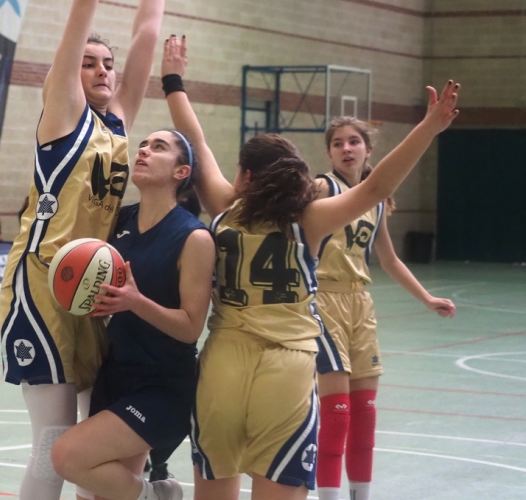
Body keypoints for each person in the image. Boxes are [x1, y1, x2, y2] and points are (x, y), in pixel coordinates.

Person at [162, 37, 460, 500]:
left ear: (245, 175)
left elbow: (195, 140)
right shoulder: (310, 219)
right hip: (287, 364)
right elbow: (377, 186)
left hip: (224, 360)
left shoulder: (224, 207)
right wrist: (428, 128)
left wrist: (173, 81)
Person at [0, 1, 165, 498]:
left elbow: (146, 36)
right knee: (53, 443)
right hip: (41, 283)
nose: (101, 71)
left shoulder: (116, 124)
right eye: (88, 63)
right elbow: (77, 25)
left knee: (95, 447)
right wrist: (82, 31)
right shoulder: (63, 111)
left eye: (107, 65)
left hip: (93, 288)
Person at [51, 120, 216, 500]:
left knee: (67, 457)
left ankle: (157, 496)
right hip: (116, 371)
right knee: (93, 493)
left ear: (181, 171)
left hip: (162, 384)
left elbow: (191, 328)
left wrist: (135, 302)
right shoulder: (120, 221)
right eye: (143, 144)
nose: (144, 150)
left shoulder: (194, 237)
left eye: (158, 147)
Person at [314, 117, 456, 500]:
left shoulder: (375, 201)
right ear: (328, 153)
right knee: (338, 413)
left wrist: (427, 298)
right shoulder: (321, 187)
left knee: (365, 414)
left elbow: (390, 259)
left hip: (360, 304)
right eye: (339, 143)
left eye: (354, 141)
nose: (347, 148)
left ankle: (361, 495)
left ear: (367, 149)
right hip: (323, 301)